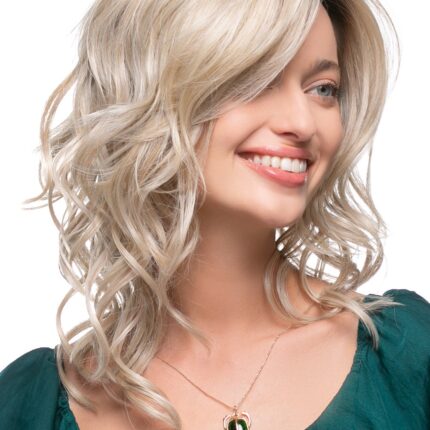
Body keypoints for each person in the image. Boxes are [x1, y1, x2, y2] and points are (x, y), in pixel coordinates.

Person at [1, 0, 429, 429]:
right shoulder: (31, 405)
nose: (303, 123)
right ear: (151, 95)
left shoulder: (407, 357)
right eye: (257, 80)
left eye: (323, 89)